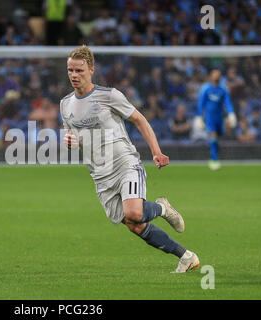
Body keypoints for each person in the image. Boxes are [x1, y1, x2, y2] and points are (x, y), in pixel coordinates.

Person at [60, 45, 199, 273]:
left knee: (134, 212)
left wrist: (156, 151)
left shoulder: (109, 95)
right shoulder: (65, 104)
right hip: (100, 175)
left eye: (79, 71)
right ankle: (186, 256)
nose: (74, 75)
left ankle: (162, 208)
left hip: (125, 163)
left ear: (91, 70)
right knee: (135, 225)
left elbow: (140, 120)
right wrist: (70, 140)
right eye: (70, 70)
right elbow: (72, 135)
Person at [194, 69, 237, 170]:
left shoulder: (223, 89)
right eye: (215, 74)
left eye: (218, 74)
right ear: (211, 76)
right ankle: (214, 160)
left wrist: (231, 114)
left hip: (219, 117)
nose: (216, 76)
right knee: (213, 136)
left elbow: (227, 102)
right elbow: (201, 103)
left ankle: (215, 155)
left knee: (217, 138)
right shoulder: (206, 89)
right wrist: (198, 116)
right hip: (210, 117)